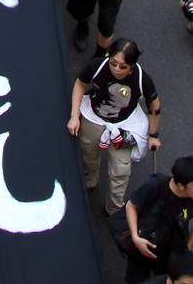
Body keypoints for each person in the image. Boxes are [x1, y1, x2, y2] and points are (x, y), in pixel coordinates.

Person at [68, 38, 160, 208]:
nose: (116, 69)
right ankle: (90, 180)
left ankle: (114, 207)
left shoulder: (142, 79)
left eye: (123, 66)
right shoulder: (97, 66)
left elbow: (154, 106)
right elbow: (80, 84)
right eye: (113, 63)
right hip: (93, 118)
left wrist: (153, 135)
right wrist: (75, 116)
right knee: (89, 152)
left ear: (132, 67)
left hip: (124, 126)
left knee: (121, 170)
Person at [122, 154, 193, 284]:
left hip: (173, 252)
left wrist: (188, 246)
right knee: (137, 283)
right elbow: (131, 205)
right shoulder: (155, 185)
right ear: (181, 186)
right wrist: (136, 238)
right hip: (144, 245)